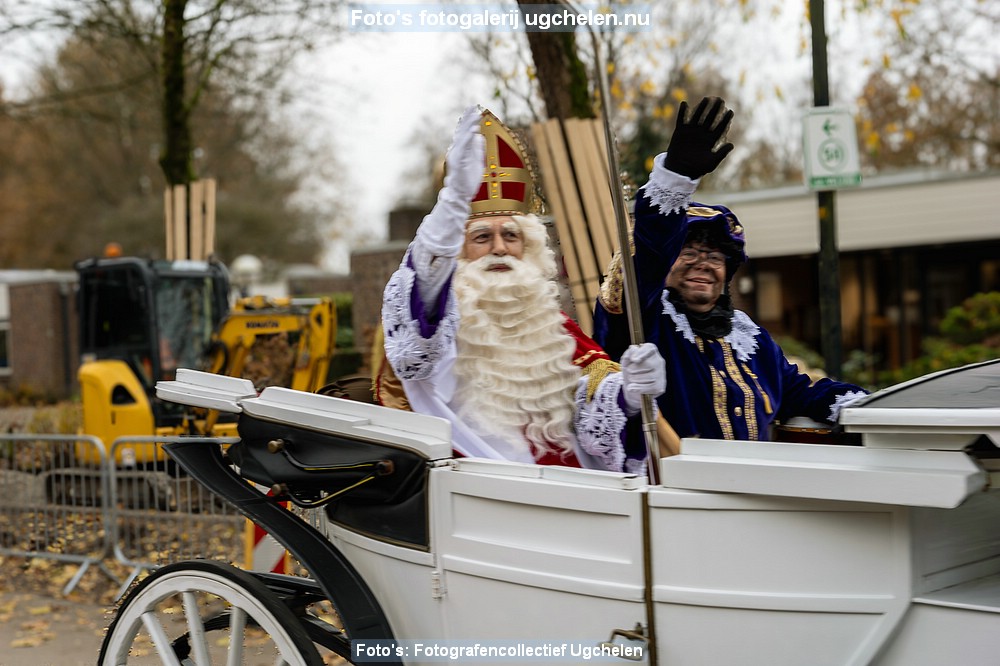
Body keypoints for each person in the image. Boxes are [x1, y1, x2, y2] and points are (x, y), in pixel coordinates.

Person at [379, 106, 665, 474]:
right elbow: (424, 289)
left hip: (576, 488)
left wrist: (627, 392)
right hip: (479, 489)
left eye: (511, 235)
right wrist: (453, 204)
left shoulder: (552, 323)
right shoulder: (439, 320)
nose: (499, 248)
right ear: (458, 250)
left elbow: (593, 401)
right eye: (482, 237)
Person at [593, 97, 867, 445]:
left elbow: (798, 391)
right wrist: (676, 176)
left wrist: (864, 406)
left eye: (715, 256)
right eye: (688, 251)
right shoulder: (646, 318)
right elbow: (650, 254)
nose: (703, 263)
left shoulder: (749, 337)